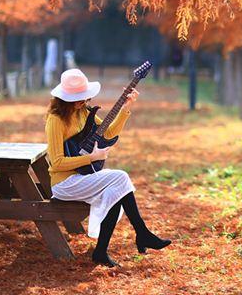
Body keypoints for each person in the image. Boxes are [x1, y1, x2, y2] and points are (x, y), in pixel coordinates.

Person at [44, 68, 171, 267]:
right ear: (64, 99)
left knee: (116, 192)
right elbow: (57, 162)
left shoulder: (84, 112)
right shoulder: (56, 120)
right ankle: (142, 233)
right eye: (77, 98)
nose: (82, 102)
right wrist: (91, 158)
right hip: (65, 184)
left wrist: (126, 108)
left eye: (84, 97)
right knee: (120, 178)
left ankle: (101, 252)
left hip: (83, 178)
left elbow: (109, 132)